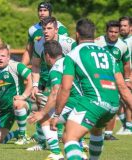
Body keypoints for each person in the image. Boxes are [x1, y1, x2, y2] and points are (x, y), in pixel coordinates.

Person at [50, 18, 132, 160]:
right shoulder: (108, 54)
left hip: (94, 102)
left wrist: (57, 114)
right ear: (94, 35)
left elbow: (65, 88)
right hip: (113, 105)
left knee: (69, 137)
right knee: (96, 131)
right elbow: (123, 88)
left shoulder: (73, 54)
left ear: (77, 34)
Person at [28, 40, 86, 160]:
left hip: (74, 102)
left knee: (45, 118)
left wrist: (42, 112)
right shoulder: (71, 61)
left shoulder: (56, 68)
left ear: (47, 55)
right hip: (86, 102)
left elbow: (55, 93)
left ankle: (55, 153)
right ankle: (80, 152)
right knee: (70, 125)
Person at [28, 16, 76, 151]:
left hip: (72, 81)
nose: (46, 32)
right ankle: (42, 142)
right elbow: (36, 66)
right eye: (44, 29)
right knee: (42, 105)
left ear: (56, 30)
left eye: (49, 28)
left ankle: (77, 140)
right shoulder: (38, 44)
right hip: (52, 77)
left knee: (47, 112)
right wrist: (35, 86)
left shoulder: (69, 43)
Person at [95, 20, 130, 139]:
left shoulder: (122, 45)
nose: (113, 34)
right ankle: (95, 130)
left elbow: (126, 63)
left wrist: (127, 79)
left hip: (115, 80)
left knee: (113, 106)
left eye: (116, 32)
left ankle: (108, 133)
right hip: (98, 79)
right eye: (111, 31)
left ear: (119, 32)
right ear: (106, 31)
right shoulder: (98, 42)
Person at [0, 44, 33, 145]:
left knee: (18, 103)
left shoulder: (16, 66)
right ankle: (17, 133)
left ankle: (23, 136)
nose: (0, 58)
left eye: (3, 56)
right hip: (4, 112)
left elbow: (30, 77)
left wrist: (24, 96)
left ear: (8, 57)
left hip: (19, 105)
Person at [117, 16, 132, 135]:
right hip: (121, 75)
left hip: (129, 74)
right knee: (119, 102)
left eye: (125, 26)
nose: (122, 28)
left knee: (127, 100)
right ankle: (125, 125)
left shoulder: (130, 41)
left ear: (131, 27)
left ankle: (129, 127)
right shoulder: (122, 41)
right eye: (120, 25)